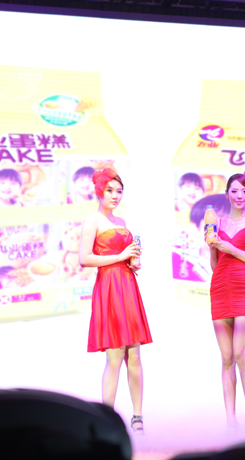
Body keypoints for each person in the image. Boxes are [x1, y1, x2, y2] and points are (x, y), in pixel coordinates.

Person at [78, 168, 152, 434]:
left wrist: (132, 261)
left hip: (128, 285)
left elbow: (125, 256)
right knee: (115, 356)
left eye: (119, 191)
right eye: (110, 190)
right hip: (109, 288)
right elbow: (85, 259)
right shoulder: (93, 221)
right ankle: (106, 419)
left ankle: (138, 417)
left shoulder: (122, 221)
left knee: (135, 355)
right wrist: (120, 257)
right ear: (99, 191)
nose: (115, 195)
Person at [207, 174, 245, 427]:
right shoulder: (216, 223)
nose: (239, 196)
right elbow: (215, 265)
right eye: (234, 191)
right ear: (227, 194)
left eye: (244, 191)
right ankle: (230, 420)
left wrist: (232, 249)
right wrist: (212, 246)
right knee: (226, 358)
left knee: (242, 354)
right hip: (220, 289)